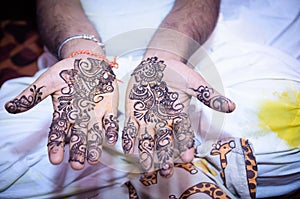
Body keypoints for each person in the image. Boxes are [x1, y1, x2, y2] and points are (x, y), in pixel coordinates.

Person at [0, 0, 299, 198]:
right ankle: (182, 173)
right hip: (84, 71)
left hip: (195, 56)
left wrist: (162, 58)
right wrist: (85, 55)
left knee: (288, 117)